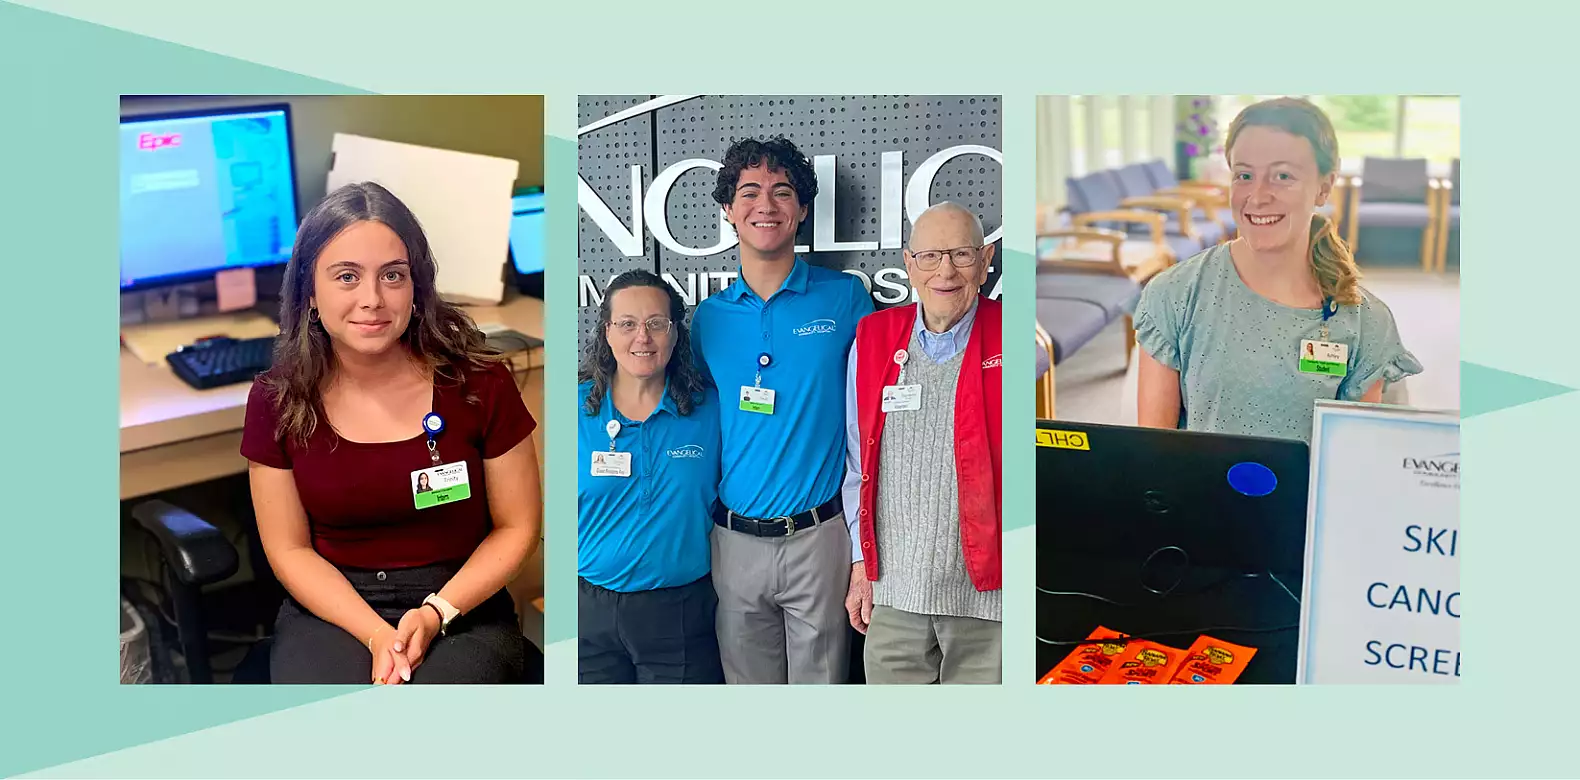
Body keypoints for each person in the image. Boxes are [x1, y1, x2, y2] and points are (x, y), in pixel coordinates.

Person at [241, 181, 542, 685]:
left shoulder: (479, 384)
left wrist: (435, 612)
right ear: (310, 294)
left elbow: (518, 528)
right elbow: (289, 549)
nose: (372, 299)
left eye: (392, 276)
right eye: (346, 277)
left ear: (417, 289)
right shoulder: (278, 399)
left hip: (459, 603)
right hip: (333, 605)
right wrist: (376, 634)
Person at [691, 136, 874, 684]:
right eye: (749, 192)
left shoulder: (845, 299)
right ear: (728, 209)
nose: (765, 205)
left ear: (803, 208)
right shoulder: (707, 319)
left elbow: (873, 426)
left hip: (820, 539)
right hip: (733, 543)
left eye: (781, 191)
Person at [1133, 97, 1422, 443]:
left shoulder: (1365, 323)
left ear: (1324, 187)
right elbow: (1152, 463)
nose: (1257, 195)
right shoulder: (1175, 295)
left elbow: (1354, 470)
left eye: (1282, 176)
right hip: (1198, 497)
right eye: (1244, 175)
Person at [842, 202, 1002, 684]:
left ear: (986, 258)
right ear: (909, 263)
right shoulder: (872, 338)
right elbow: (857, 463)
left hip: (990, 601)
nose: (946, 271)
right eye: (931, 257)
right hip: (893, 596)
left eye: (961, 254)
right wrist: (860, 564)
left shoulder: (1017, 336)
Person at [577, 270, 724, 684]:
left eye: (656, 323)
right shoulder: (572, 410)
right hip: (588, 613)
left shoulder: (710, 411)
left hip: (680, 613)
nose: (642, 337)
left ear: (676, 333)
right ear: (607, 332)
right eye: (627, 324)